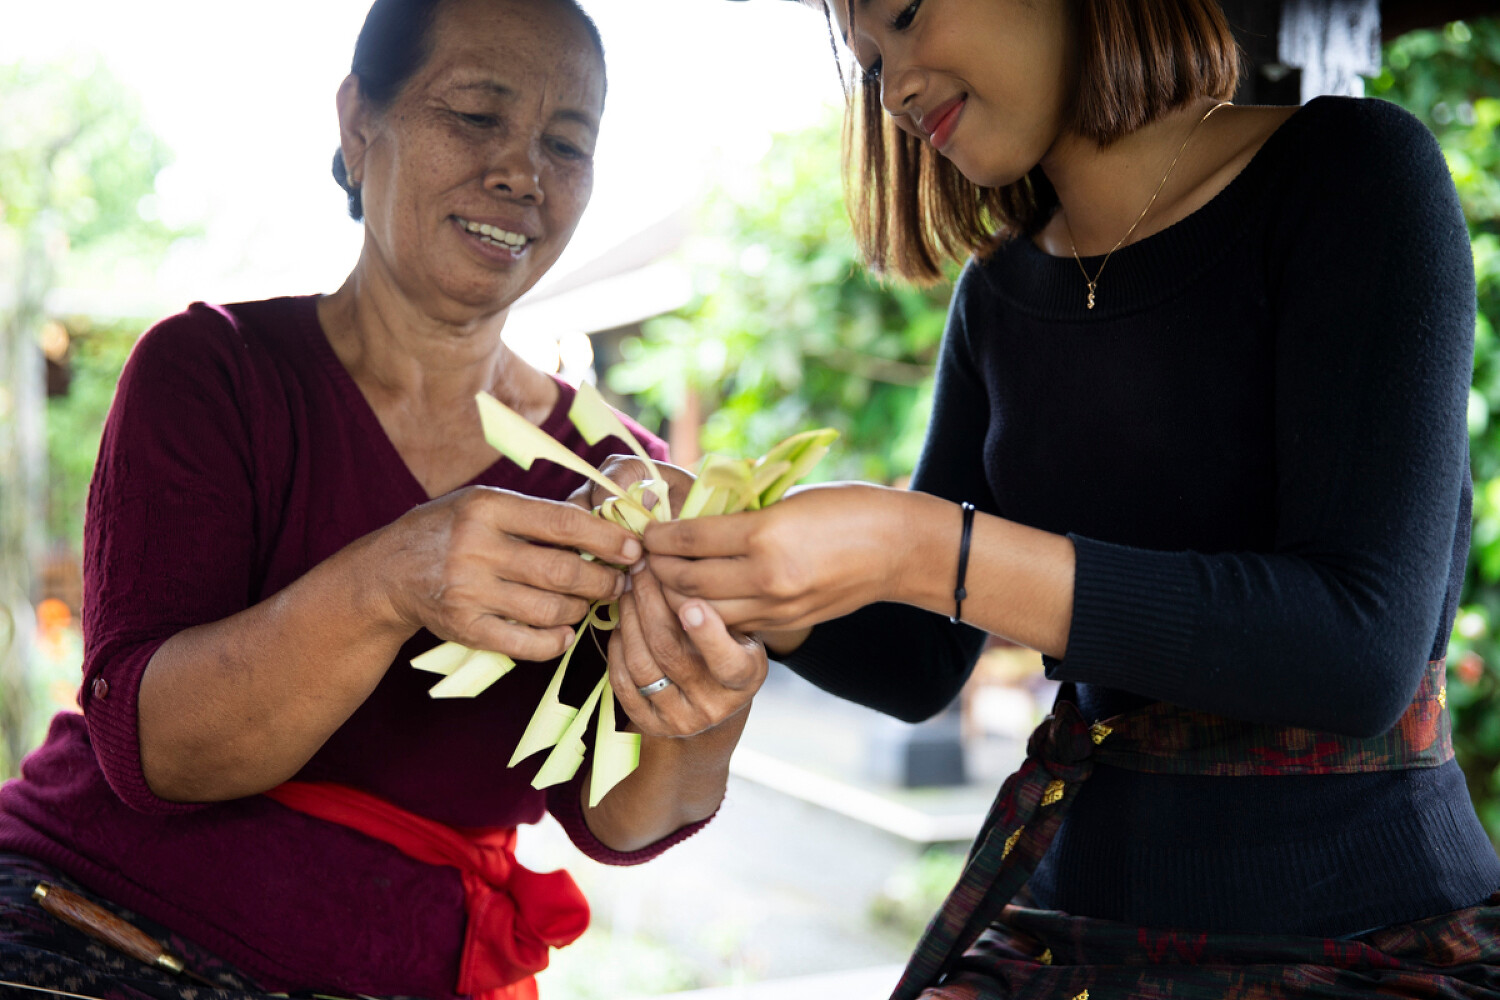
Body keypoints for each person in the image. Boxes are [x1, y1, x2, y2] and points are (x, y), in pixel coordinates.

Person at [640, 0, 1500, 996]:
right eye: (869, 64)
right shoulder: (999, 291)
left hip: (1368, 935)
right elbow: (921, 663)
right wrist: (711, 556)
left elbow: (1359, 649)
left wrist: (920, 549)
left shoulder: (1352, 171)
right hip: (1074, 931)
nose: (898, 85)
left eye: (908, 16)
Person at [0, 1, 766, 998]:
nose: (522, 174)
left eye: (565, 143)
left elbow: (621, 818)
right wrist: (397, 577)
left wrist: (705, 697)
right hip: (94, 922)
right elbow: (161, 752)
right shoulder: (214, 372)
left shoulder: (620, 479)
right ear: (360, 122)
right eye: (477, 117)